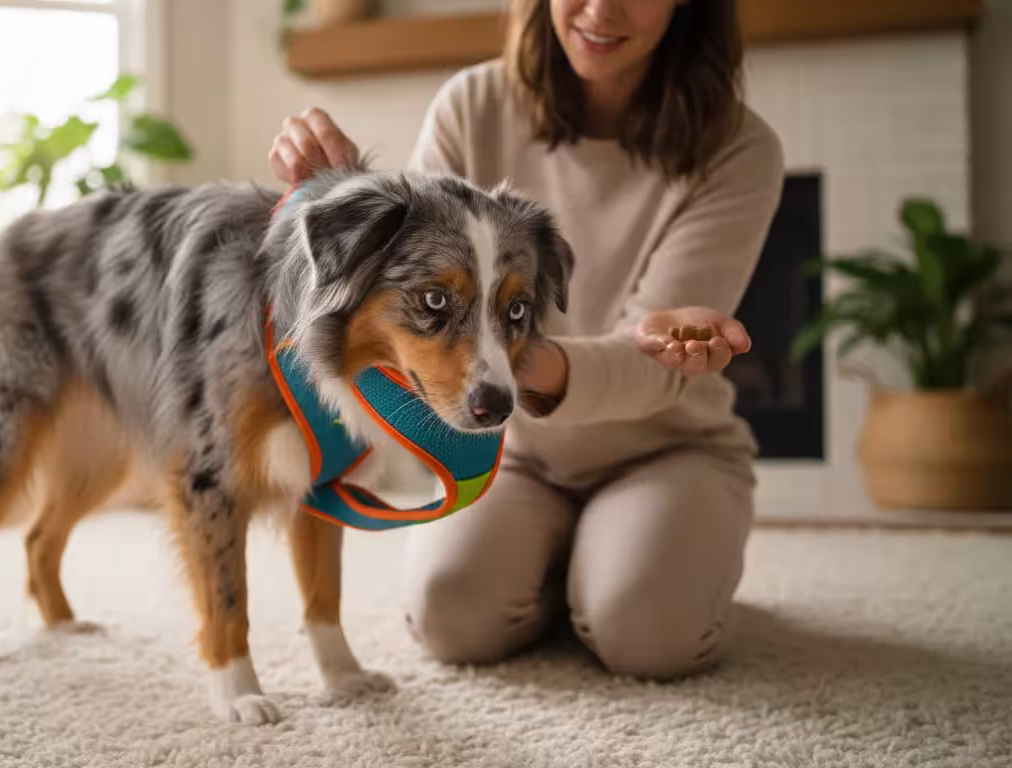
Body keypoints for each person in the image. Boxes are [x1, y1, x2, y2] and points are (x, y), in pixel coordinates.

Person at [268, 0, 784, 679]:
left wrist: (529, 360)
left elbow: (653, 368)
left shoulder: (739, 149)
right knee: (451, 618)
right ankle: (581, 569)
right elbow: (404, 289)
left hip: (667, 449)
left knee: (648, 636)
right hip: (514, 454)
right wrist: (332, 194)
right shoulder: (473, 104)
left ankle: (637, 568)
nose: (601, 10)